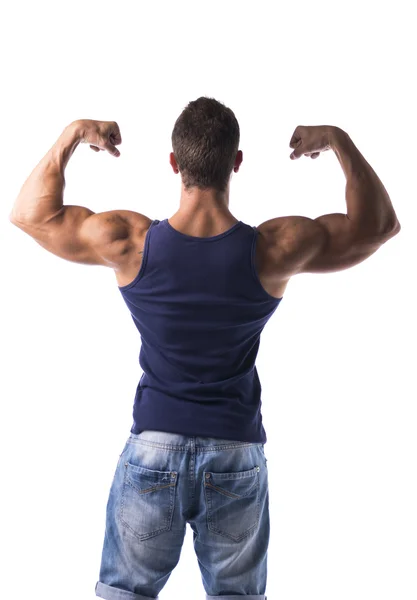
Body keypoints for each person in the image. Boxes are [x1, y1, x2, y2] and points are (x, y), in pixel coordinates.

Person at [10, 97, 400, 600]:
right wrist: (337, 141)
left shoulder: (129, 241)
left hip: (153, 451)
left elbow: (29, 213)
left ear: (175, 163)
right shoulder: (274, 249)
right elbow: (378, 225)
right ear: (236, 162)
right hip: (235, 456)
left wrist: (73, 134)